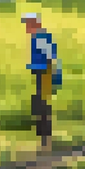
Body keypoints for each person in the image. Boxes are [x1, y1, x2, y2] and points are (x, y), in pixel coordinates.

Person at [22, 12, 62, 150]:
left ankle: (46, 139)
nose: (26, 27)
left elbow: (51, 58)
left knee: (42, 104)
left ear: (35, 24)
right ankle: (44, 138)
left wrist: (39, 68)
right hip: (43, 73)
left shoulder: (40, 37)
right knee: (40, 103)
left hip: (45, 73)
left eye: (28, 23)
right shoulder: (38, 37)